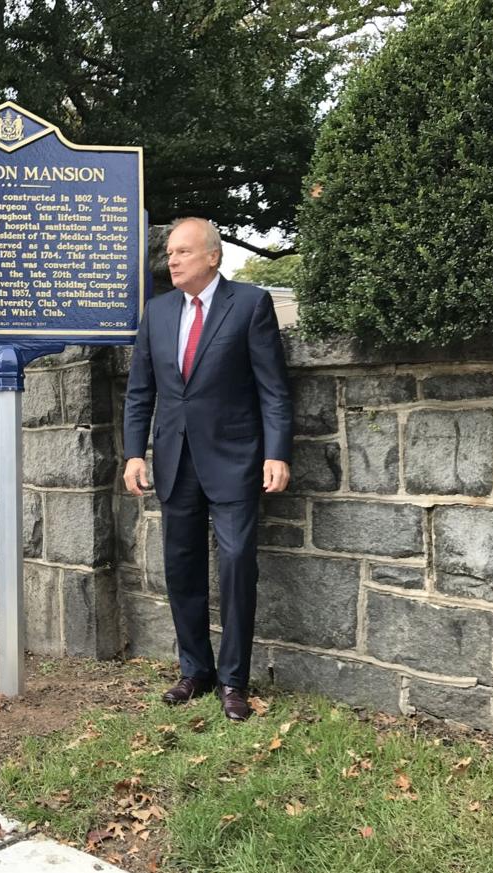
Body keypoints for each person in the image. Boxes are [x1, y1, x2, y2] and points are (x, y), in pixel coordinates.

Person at [122, 217, 293, 721]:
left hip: (236, 459)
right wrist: (135, 453)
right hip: (175, 460)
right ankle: (195, 670)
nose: (171, 260)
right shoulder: (156, 312)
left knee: (238, 565)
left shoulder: (250, 304)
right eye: (170, 253)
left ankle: (234, 680)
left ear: (212, 256)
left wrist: (277, 452)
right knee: (182, 568)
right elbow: (140, 392)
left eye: (182, 252)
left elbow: (273, 388)